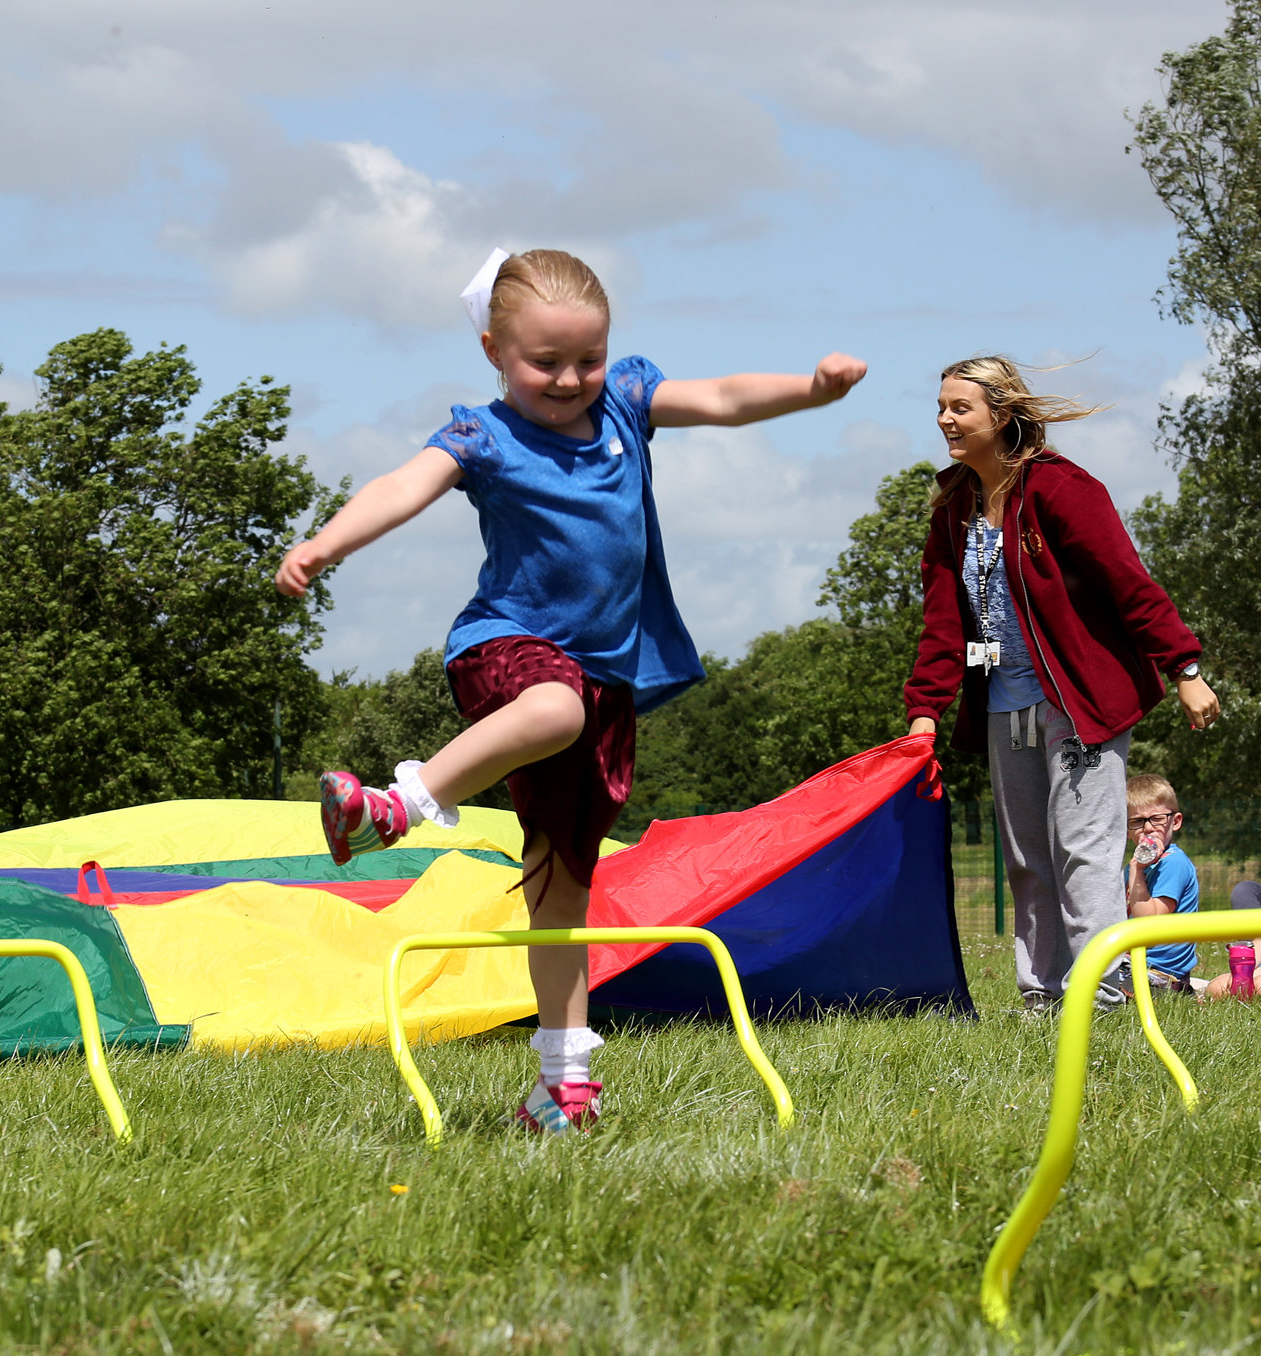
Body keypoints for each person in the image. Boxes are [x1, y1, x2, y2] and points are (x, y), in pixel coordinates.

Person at [275, 247, 867, 1134]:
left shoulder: (626, 401)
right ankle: (397, 805)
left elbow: (721, 397)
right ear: (491, 351)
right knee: (552, 708)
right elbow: (403, 485)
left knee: (561, 879)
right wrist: (327, 543)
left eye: (585, 358)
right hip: (507, 652)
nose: (568, 379)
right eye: (542, 362)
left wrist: (810, 390)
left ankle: (563, 1083)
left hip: (606, 678)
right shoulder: (483, 436)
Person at [903, 357, 1218, 1014]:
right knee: (1026, 858)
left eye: (960, 408)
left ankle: (1100, 998)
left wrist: (1183, 667)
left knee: (1084, 851)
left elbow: (1128, 582)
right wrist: (926, 711)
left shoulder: (1061, 489)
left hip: (1077, 701)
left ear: (1002, 413)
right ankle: (1043, 998)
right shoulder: (954, 508)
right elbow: (944, 623)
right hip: (1003, 702)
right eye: (940, 407)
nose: (945, 420)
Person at [1121, 773, 1201, 996]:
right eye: (1137, 821)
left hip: (1161, 973)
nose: (1147, 828)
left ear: (1175, 822)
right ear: (1128, 830)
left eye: (1157, 819)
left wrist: (1137, 870)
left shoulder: (1173, 863)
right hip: (1134, 962)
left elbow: (1150, 923)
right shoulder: (1135, 868)